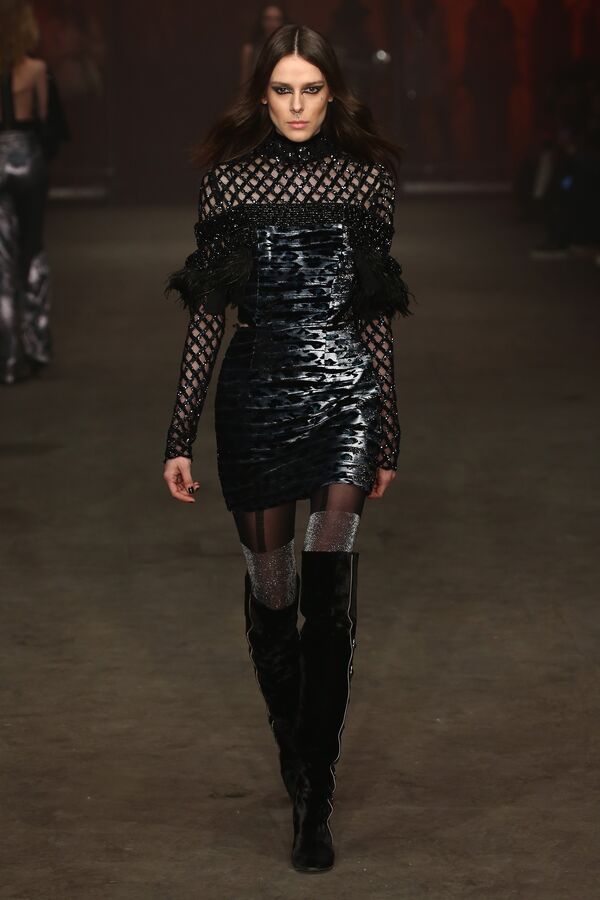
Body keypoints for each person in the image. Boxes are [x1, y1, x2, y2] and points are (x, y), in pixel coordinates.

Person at [163, 23, 413, 874]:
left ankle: (317, 793)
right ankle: (294, 743)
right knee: (274, 597)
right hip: (257, 395)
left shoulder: (367, 181)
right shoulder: (230, 183)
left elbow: (374, 313)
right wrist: (178, 433)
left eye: (311, 90)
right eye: (283, 90)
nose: (297, 106)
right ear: (261, 94)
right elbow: (208, 314)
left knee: (329, 599)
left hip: (345, 394)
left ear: (333, 93)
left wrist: (388, 429)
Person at [0, 0, 51, 385]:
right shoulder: (35, 69)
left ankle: (7, 355)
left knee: (1, 258)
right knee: (32, 249)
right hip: (27, 158)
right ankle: (36, 344)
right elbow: (42, 118)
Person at [240, 3, 288, 85]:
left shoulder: (290, 48)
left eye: (277, 19)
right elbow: (244, 81)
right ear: (261, 22)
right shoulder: (250, 49)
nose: (272, 24)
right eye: (268, 19)